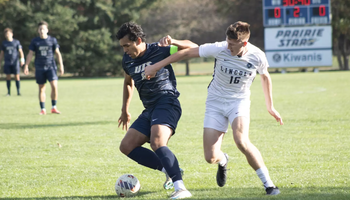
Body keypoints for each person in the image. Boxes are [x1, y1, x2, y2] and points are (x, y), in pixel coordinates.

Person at [144, 21, 283, 195]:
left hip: (238, 102)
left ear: (244, 43)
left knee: (241, 140)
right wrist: (156, 66)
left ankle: (269, 185)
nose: (228, 46)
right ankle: (223, 159)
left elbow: (265, 77)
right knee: (210, 157)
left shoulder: (257, 56)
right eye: (227, 42)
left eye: (232, 44)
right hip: (215, 104)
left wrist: (270, 106)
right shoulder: (220, 47)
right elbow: (186, 53)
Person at [116, 22, 198, 199]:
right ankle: (169, 170)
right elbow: (128, 82)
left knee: (158, 142)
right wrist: (125, 110)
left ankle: (181, 188)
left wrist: (173, 41)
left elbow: (195, 48)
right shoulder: (127, 60)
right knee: (126, 146)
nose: (125, 50)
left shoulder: (160, 50)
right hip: (150, 109)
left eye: (127, 46)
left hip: (167, 102)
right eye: (122, 47)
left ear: (138, 40)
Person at [24, 21, 64, 115]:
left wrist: (61, 65)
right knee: (41, 88)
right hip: (39, 67)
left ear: (47, 30)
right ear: (38, 31)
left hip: (51, 67)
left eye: (43, 29)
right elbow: (30, 54)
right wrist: (26, 65)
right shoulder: (35, 41)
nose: (42, 31)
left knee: (54, 86)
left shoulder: (52, 40)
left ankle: (54, 107)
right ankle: (43, 109)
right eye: (40, 29)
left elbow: (57, 53)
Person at [0, 28, 25, 96]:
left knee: (17, 76)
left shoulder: (16, 42)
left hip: (15, 62)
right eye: (6, 34)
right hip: (7, 62)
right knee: (8, 77)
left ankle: (18, 92)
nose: (7, 35)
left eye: (8, 33)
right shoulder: (4, 43)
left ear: (12, 34)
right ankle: (8, 92)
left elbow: (20, 51)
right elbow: (2, 53)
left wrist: (22, 59)